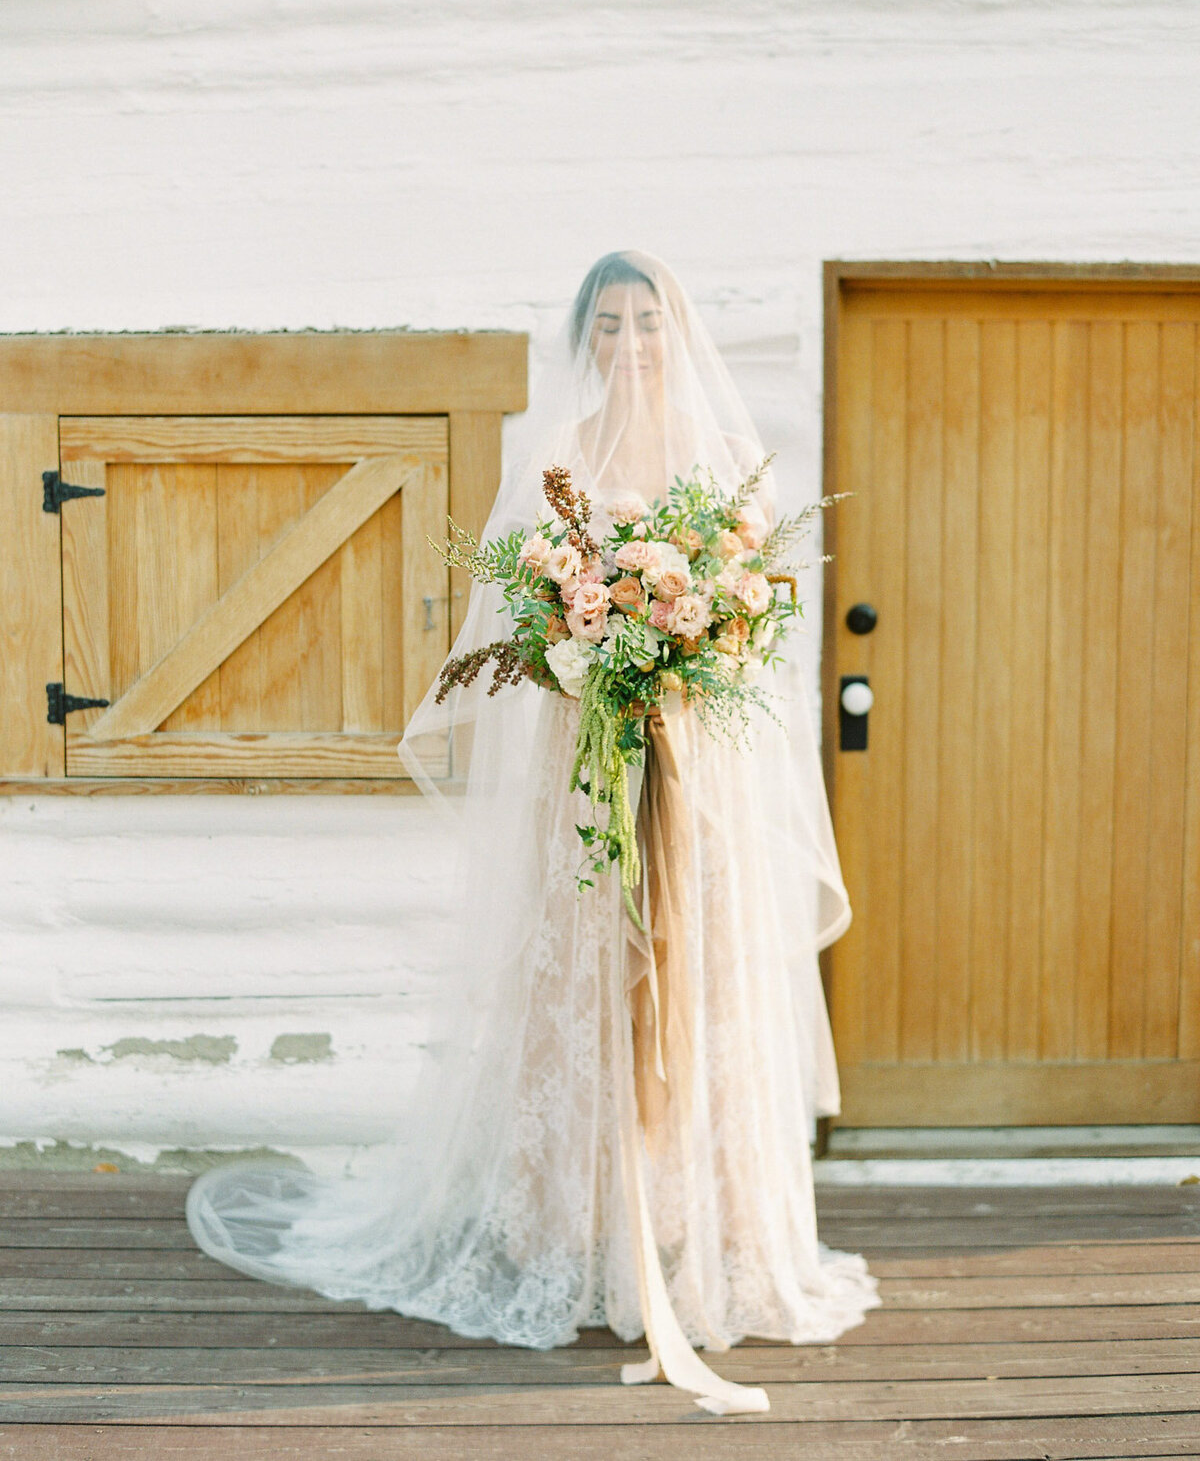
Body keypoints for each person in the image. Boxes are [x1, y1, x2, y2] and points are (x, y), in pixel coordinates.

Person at [186, 251, 880, 1414]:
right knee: (581, 984)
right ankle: (573, 1228)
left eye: (648, 322)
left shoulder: (721, 463)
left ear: (678, 329)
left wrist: (696, 640)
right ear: (582, 335)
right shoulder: (559, 457)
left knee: (693, 981)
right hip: (584, 774)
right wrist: (591, 639)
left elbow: (759, 614)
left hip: (696, 772)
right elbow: (522, 604)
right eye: (608, 323)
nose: (630, 343)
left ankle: (689, 1237)